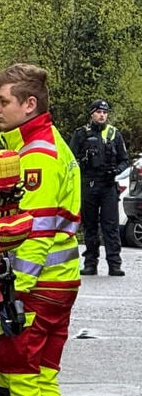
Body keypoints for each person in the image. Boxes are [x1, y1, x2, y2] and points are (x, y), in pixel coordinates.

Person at [0, 63, 80, 396]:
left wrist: (13, 295)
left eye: (3, 100)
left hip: (35, 288)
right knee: (44, 382)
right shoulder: (54, 146)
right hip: (59, 285)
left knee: (20, 384)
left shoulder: (37, 155)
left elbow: (35, 234)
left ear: (29, 105)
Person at [68, 99, 128, 277]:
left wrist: (116, 171)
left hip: (108, 185)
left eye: (105, 112)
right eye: (99, 112)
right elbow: (70, 160)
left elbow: (124, 160)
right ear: (92, 114)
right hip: (88, 184)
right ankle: (90, 263)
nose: (102, 115)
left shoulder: (114, 134)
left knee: (110, 226)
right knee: (90, 225)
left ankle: (114, 264)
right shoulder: (81, 134)